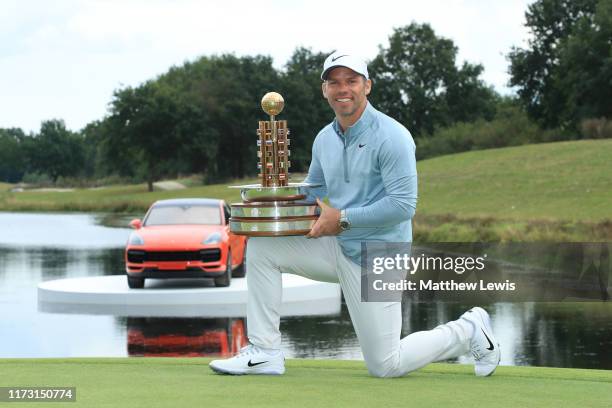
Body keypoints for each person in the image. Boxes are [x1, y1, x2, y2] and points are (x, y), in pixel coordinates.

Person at [209, 51, 501, 377]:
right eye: (334, 82)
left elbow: (403, 205)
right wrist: (265, 210)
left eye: (351, 80)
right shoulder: (324, 138)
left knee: (385, 365)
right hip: (339, 246)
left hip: (379, 255)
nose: (342, 88)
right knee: (262, 247)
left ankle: (469, 329)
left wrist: (342, 219)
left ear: (367, 86)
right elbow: (314, 193)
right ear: (324, 90)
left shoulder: (393, 136)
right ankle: (265, 352)